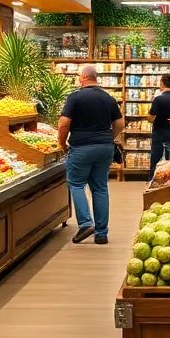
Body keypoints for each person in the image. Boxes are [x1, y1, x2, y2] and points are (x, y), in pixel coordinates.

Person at [57, 64, 123, 244]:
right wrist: (109, 137)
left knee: (76, 184)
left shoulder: (75, 97)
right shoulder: (108, 98)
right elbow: (120, 123)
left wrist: (62, 143)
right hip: (104, 148)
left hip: (81, 148)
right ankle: (101, 233)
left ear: (83, 77)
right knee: (100, 187)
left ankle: (86, 223)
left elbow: (64, 124)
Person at [147, 73, 170, 180]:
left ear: (162, 83)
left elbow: (151, 117)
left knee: (155, 158)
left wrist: (149, 117)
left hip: (159, 131)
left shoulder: (158, 99)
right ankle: (169, 181)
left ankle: (152, 180)